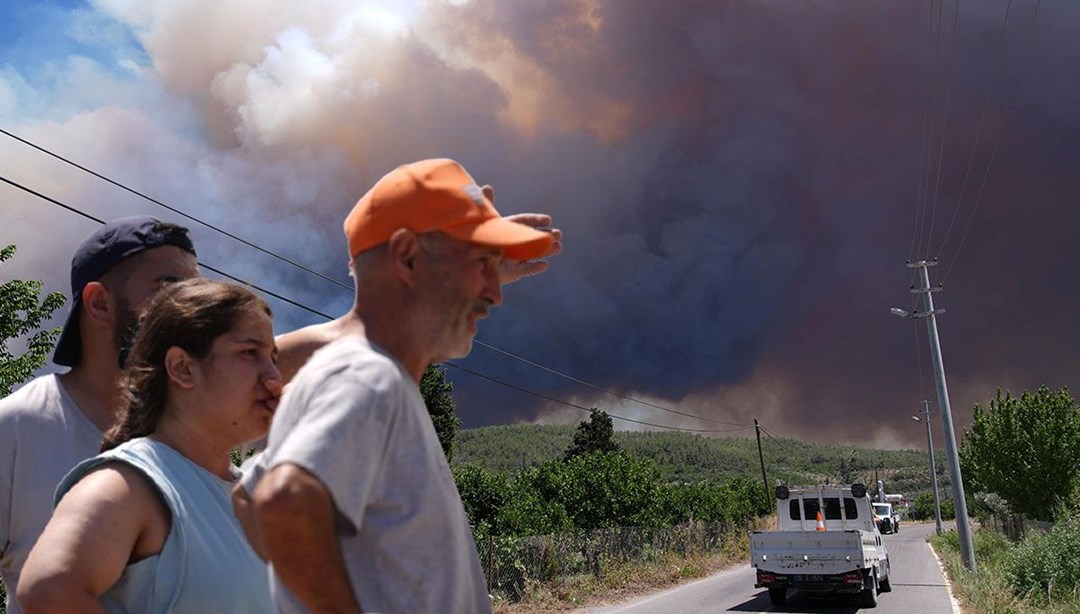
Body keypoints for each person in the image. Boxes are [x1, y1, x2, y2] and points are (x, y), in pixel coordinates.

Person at [234, 158, 557, 613]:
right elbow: (282, 504)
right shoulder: (368, 379)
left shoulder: (368, 374)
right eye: (482, 264)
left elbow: (248, 499)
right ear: (407, 257)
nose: (496, 293)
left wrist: (468, 273)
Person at [17, 278, 281, 612]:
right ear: (182, 368)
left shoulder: (248, 497)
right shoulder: (129, 483)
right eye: (249, 353)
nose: (274, 378)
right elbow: (48, 590)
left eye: (273, 357)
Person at [0, 217, 199, 613]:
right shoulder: (19, 428)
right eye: (168, 288)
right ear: (99, 303)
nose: (191, 309)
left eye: (195, 291)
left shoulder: (198, 439)